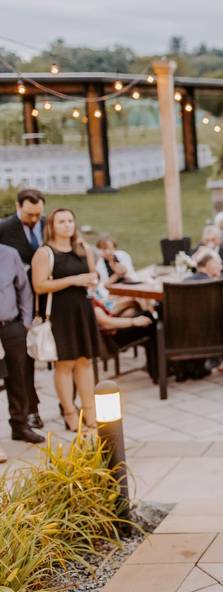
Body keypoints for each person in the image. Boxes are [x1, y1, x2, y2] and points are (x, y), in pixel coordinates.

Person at [31, 208, 100, 431]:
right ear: (52, 226)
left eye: (70, 220)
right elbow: (39, 285)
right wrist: (74, 279)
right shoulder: (45, 253)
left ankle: (89, 412)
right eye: (61, 221)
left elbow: (92, 274)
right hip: (59, 313)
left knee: (85, 361)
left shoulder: (83, 248)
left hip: (81, 310)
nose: (67, 225)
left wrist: (91, 280)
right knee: (65, 364)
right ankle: (70, 413)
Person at [0, 188, 46, 430]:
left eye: (38, 214)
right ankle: (28, 412)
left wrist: (26, 320)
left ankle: (31, 415)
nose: (35, 220)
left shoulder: (48, 225)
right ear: (18, 207)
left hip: (39, 304)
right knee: (16, 368)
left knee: (32, 363)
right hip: (13, 307)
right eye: (29, 214)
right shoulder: (5, 228)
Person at [0, 243, 43, 443]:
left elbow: (24, 289)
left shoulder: (10, 253)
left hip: (11, 327)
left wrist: (25, 323)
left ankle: (20, 426)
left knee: (19, 378)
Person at [93, 299, 157, 380]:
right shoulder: (88, 302)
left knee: (142, 311)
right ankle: (158, 369)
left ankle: (155, 367)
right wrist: (133, 321)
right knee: (150, 321)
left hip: (110, 334)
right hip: (111, 340)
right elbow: (106, 324)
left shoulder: (87, 299)